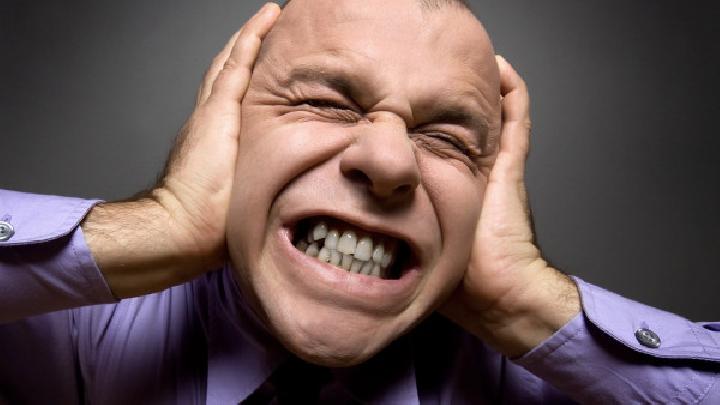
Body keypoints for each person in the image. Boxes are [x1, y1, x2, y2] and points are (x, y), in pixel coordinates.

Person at [1, 0, 718, 403]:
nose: (389, 161)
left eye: (447, 139)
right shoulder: (72, 320)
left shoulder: (550, 383)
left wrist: (524, 305)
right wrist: (162, 227)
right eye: (325, 102)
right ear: (224, 130)